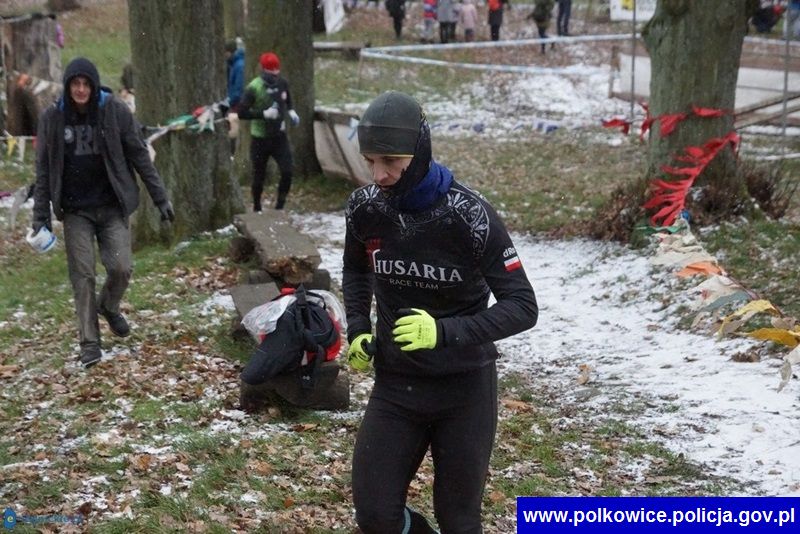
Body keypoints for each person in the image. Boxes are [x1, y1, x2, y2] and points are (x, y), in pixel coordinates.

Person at [343, 91, 538, 533]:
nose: (380, 175)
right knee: (375, 516)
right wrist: (357, 328)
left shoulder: (469, 216)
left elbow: (523, 307)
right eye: (370, 161)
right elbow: (356, 271)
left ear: (421, 150)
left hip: (463, 391)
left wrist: (443, 332)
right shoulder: (366, 209)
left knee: (460, 520)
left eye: (391, 161)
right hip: (396, 386)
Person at [32, 57, 175, 369]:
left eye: (86, 84)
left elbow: (139, 154)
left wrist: (160, 199)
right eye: (75, 84)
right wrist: (39, 217)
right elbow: (43, 171)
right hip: (75, 211)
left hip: (112, 206)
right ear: (68, 86)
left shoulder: (115, 111)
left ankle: (109, 306)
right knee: (82, 276)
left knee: (121, 268)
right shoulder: (52, 119)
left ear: (94, 87)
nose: (81, 90)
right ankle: (90, 343)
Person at [237, 51, 300, 211]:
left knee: (287, 171)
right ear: (264, 70)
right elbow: (241, 112)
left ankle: (280, 206)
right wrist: (263, 114)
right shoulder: (254, 87)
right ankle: (257, 207)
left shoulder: (283, 83)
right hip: (260, 138)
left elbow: (288, 100)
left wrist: (291, 111)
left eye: (277, 70)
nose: (275, 74)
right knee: (259, 175)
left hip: (279, 137)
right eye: (271, 71)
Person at [224, 39, 245, 155]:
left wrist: (230, 102)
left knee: (234, 130)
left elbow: (238, 88)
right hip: (233, 101)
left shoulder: (239, 66)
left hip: (236, 103)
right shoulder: (233, 64)